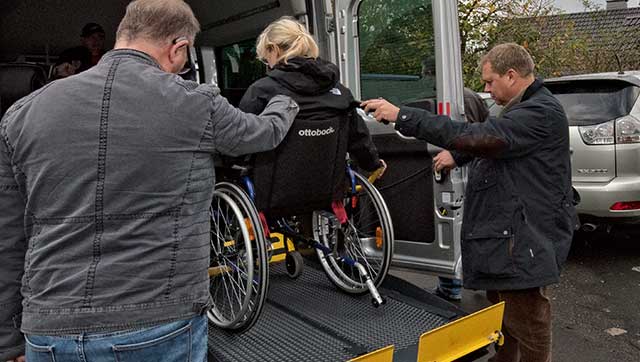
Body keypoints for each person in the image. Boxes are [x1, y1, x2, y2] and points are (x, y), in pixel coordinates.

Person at [0, 1, 298, 361]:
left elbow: (9, 236)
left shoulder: (22, 114)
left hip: (48, 328)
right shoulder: (195, 103)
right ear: (178, 48)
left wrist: (9, 339)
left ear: (123, 35)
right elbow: (262, 133)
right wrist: (285, 101)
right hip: (157, 321)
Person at [362, 43, 577, 362]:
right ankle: (503, 358)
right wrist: (459, 154)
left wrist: (402, 116)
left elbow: (485, 136)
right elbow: (497, 142)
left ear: (512, 75)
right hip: (515, 231)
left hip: (527, 234)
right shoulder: (524, 105)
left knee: (529, 315)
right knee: (505, 308)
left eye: (490, 81)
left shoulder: (539, 111)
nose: (485, 88)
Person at [238, 17, 386, 192]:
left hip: (276, 192)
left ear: (274, 49)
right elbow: (358, 137)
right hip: (328, 188)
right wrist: (373, 164)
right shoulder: (340, 91)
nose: (268, 65)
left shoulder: (262, 90)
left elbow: (240, 139)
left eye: (265, 58)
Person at [434, 88, 490, 302]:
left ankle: (450, 286)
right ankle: (480, 281)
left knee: (452, 222)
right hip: (475, 166)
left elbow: (464, 135)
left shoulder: (448, 96)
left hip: (459, 163)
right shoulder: (472, 97)